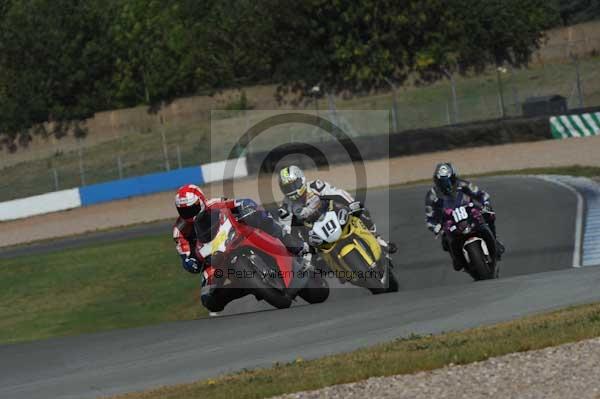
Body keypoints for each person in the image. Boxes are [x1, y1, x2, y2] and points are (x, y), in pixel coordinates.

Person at [172, 184, 305, 312]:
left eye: (191, 209)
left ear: (201, 201)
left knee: (260, 218)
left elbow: (238, 203)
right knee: (209, 299)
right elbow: (185, 254)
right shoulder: (179, 230)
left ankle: (287, 239)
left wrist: (246, 207)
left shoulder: (214, 203)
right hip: (212, 257)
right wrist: (191, 263)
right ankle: (250, 286)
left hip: (234, 235)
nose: (188, 214)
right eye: (183, 211)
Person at [277, 165, 397, 253]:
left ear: (301, 179)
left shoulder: (315, 186)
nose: (291, 190)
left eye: (293, 185)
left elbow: (338, 194)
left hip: (334, 215)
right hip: (313, 232)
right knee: (308, 258)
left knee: (361, 210)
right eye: (287, 188)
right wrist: (298, 245)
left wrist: (352, 203)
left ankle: (377, 238)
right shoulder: (285, 208)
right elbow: (286, 231)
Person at [425, 162, 505, 271]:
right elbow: (429, 217)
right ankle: (456, 258)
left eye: (448, 180)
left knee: (489, 215)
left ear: (454, 177)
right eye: (442, 182)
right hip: (449, 220)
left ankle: (495, 240)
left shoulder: (463, 184)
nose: (446, 184)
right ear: (436, 180)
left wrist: (485, 204)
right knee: (445, 239)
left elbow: (481, 194)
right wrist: (436, 227)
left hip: (469, 212)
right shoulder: (432, 195)